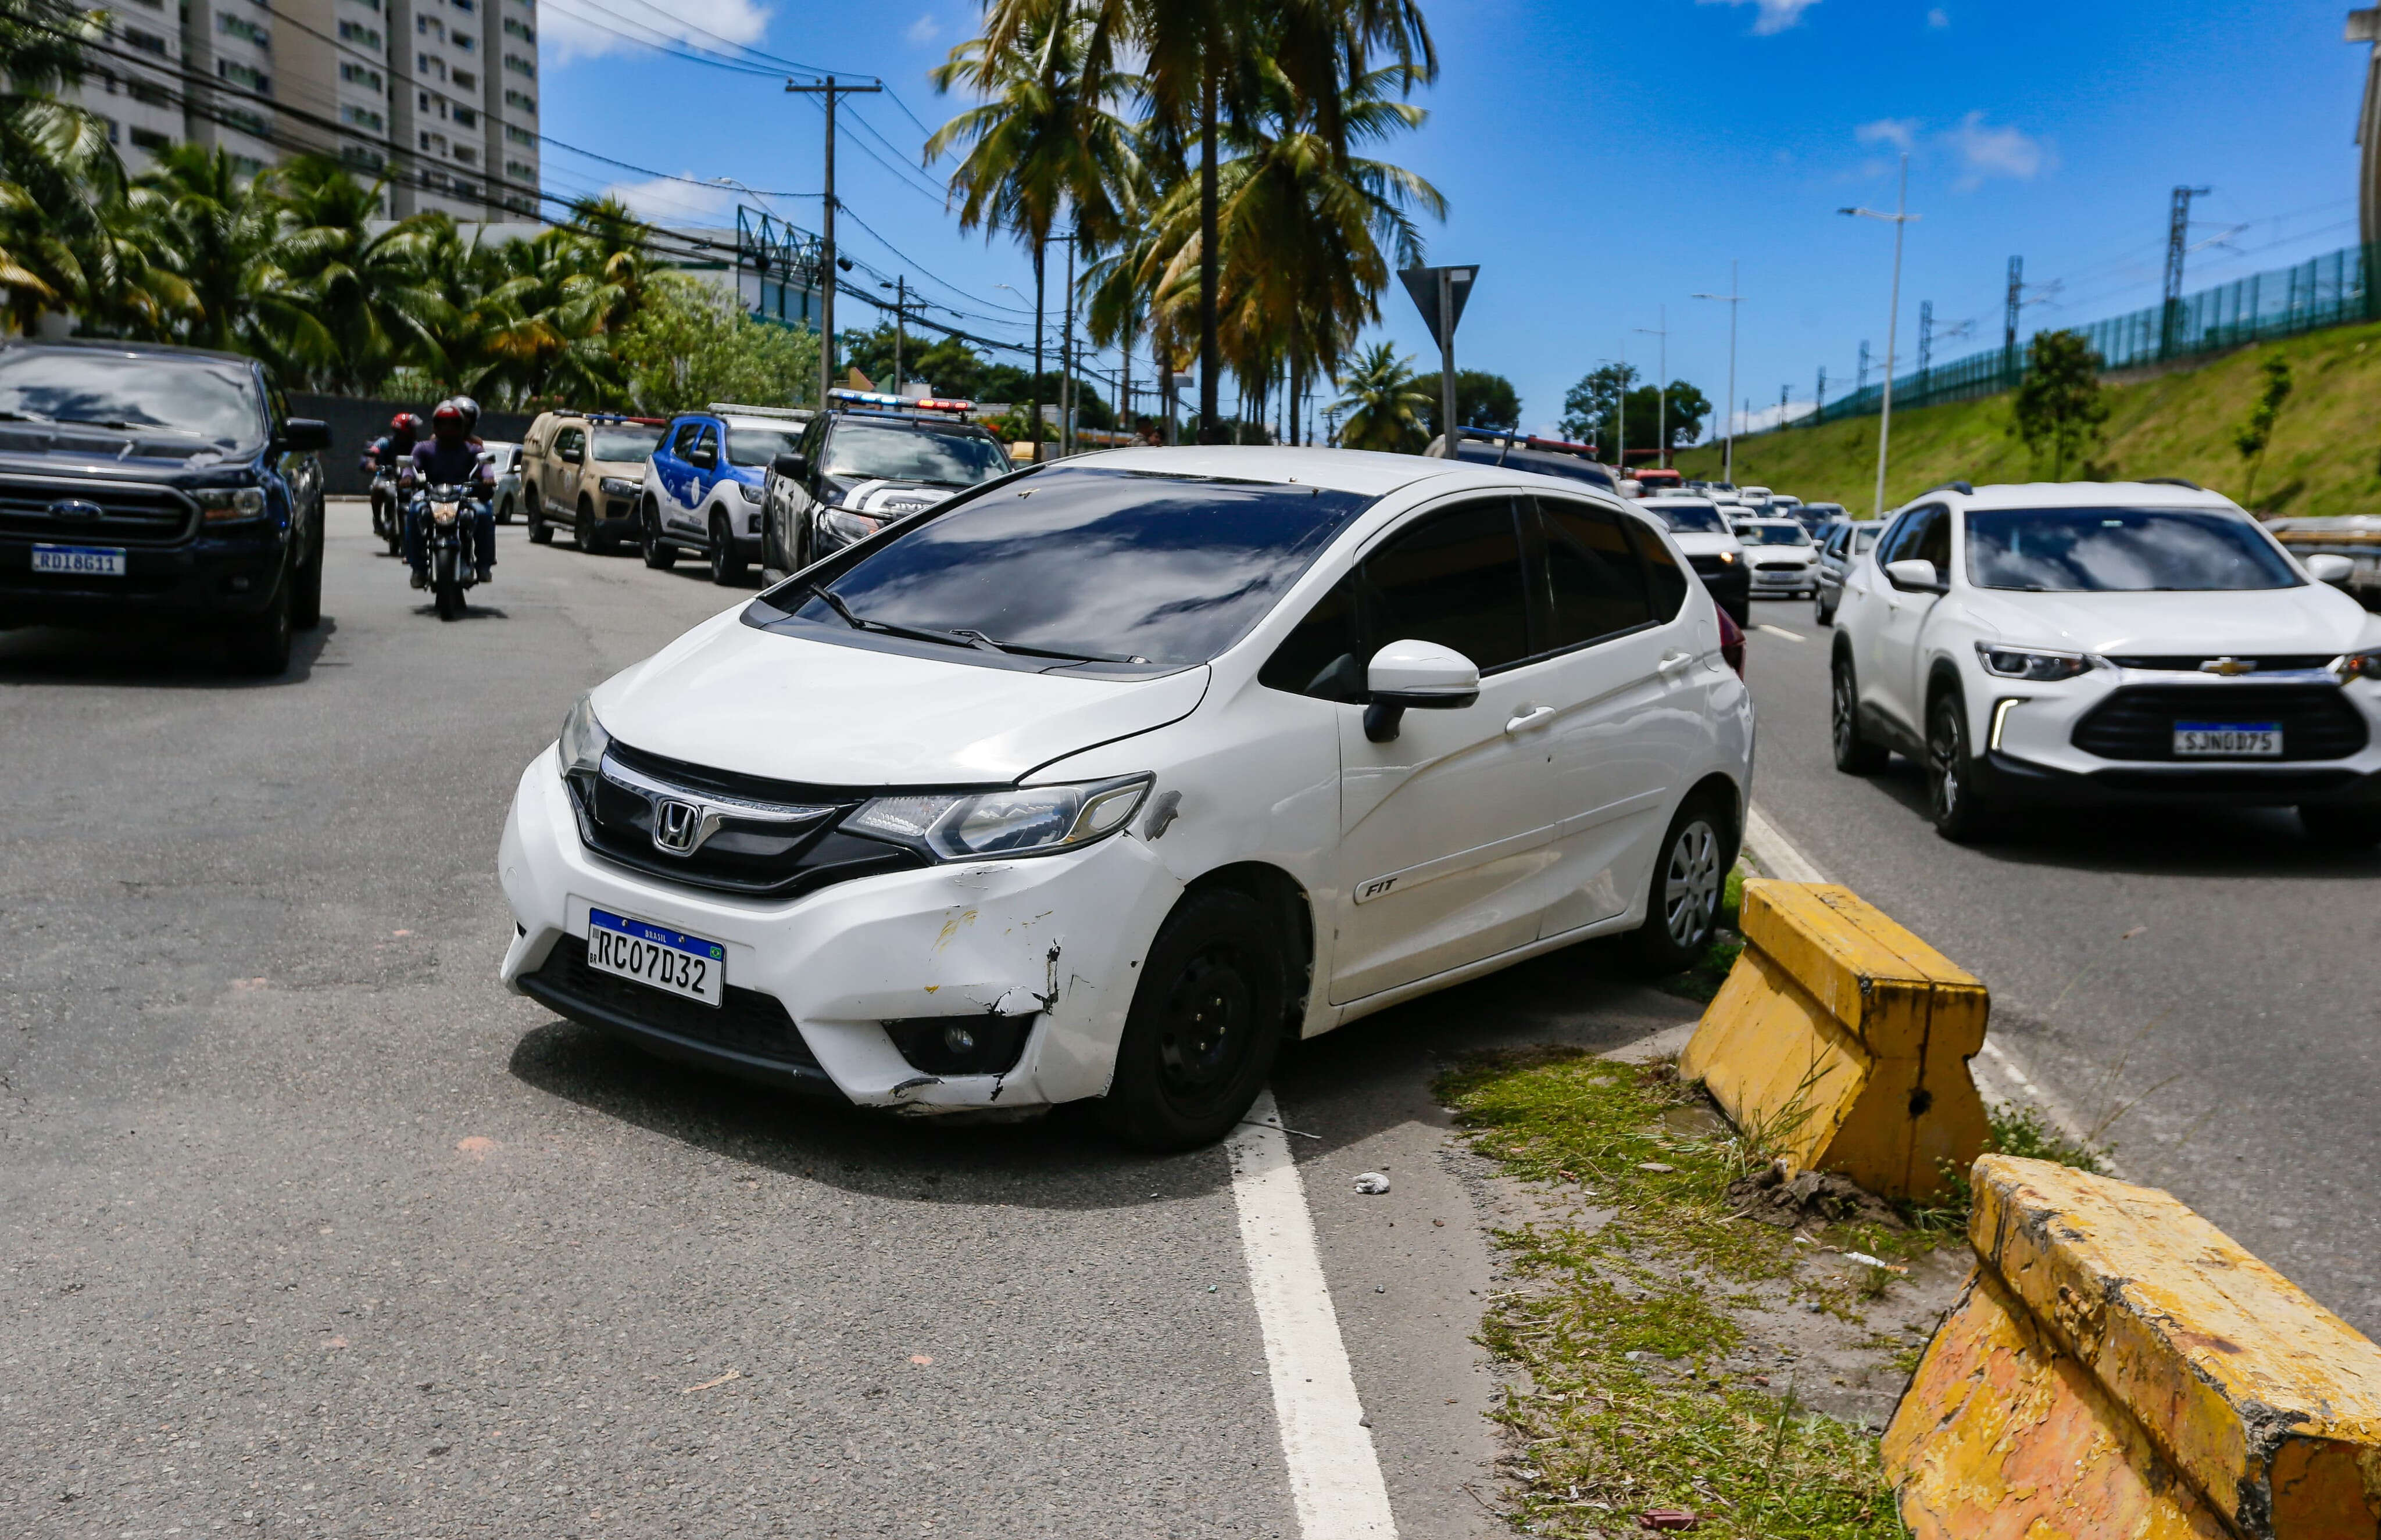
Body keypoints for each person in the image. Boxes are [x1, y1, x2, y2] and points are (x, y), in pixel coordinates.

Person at [402, 400, 496, 588]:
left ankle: (484, 566)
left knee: (484, 514)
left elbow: (485, 467)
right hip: (432, 495)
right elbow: (411, 466)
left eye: (453, 425)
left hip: (464, 496)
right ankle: (418, 568)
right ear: (436, 427)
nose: (448, 429)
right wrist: (407, 476)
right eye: (443, 424)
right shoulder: (424, 448)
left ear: (462, 427)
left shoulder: (473, 449)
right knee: (414, 511)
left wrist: (487, 478)